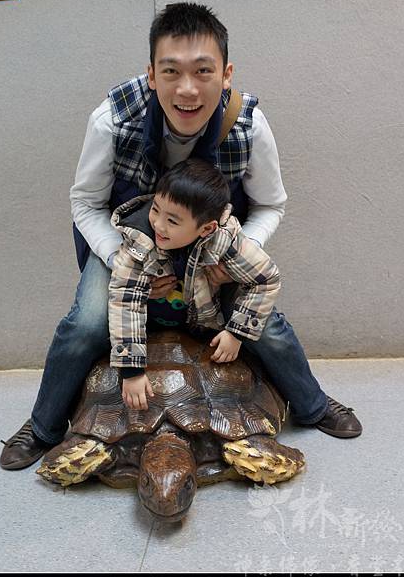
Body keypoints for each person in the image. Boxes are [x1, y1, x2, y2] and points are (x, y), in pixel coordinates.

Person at [0, 1, 361, 471]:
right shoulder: (111, 119)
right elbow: (85, 203)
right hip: (127, 243)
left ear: (226, 74)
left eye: (202, 71)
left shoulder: (250, 124)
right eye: (171, 71)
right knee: (87, 323)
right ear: (151, 74)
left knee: (266, 325)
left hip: (213, 242)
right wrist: (121, 260)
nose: (187, 89)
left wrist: (230, 253)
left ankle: (313, 405)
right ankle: (43, 426)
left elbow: (272, 203)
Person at [109, 158, 282, 411]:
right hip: (149, 327)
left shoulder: (225, 241)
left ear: (206, 228)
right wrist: (131, 371)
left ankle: (310, 405)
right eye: (156, 209)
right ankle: (46, 426)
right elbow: (125, 304)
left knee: (274, 337)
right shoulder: (138, 243)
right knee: (83, 335)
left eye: (173, 221)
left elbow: (267, 278)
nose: (158, 224)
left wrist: (237, 333)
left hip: (203, 327)